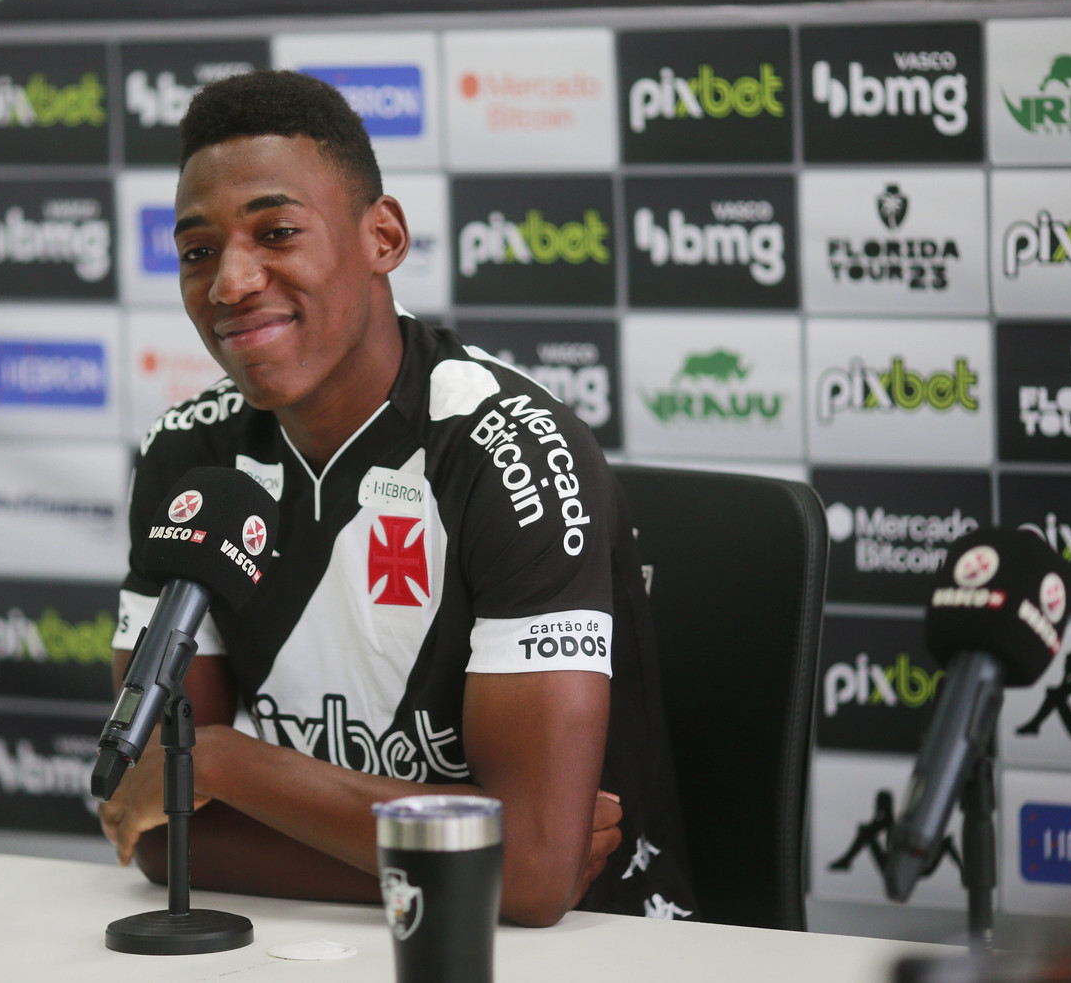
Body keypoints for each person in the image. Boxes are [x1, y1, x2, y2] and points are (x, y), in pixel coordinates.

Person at [99, 69, 695, 926]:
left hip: (585, 951)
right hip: (323, 943)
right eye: (198, 252)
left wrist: (227, 764)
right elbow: (159, 830)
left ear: (383, 236)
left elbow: (531, 879)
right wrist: (478, 862)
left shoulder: (512, 454)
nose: (230, 282)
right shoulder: (185, 459)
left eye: (277, 232)